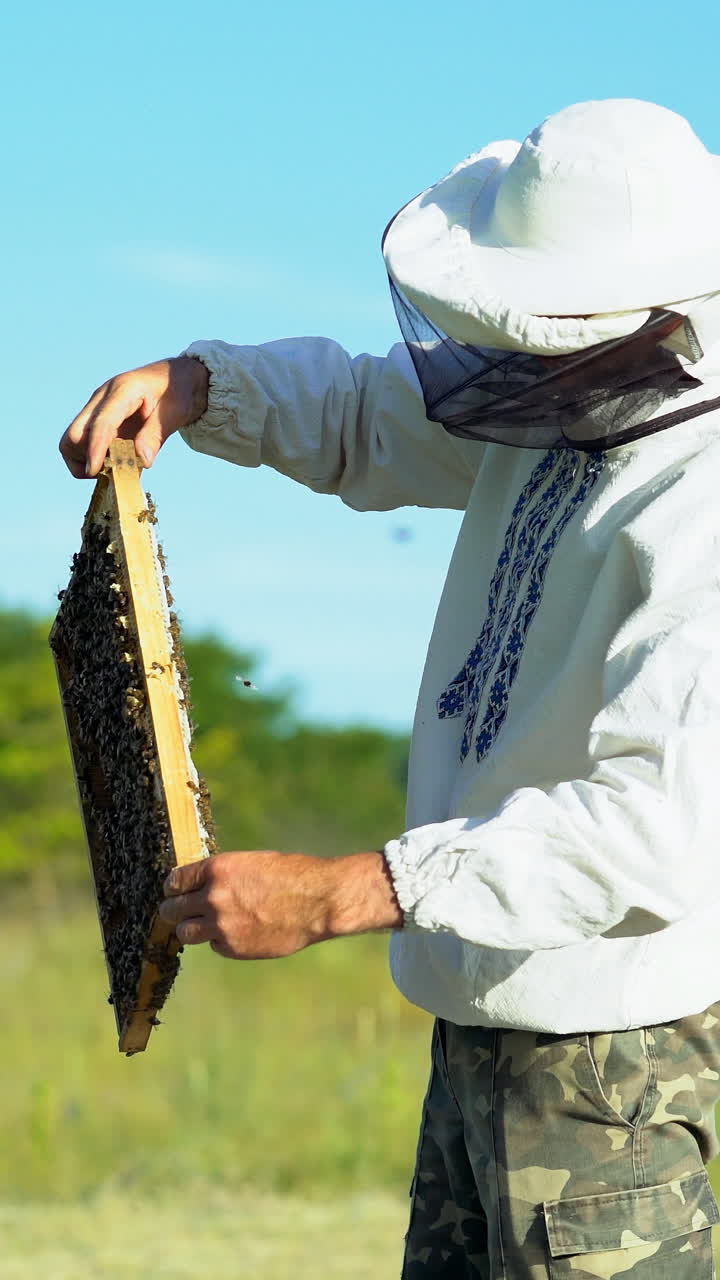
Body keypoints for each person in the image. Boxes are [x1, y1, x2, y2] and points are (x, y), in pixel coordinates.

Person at [60, 99, 720, 1278]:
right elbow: (378, 409)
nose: (505, 366)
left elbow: (645, 830)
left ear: (634, 315)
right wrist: (204, 383)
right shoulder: (565, 392)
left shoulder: (701, 501)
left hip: (604, 1053)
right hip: (475, 1016)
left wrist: (338, 893)